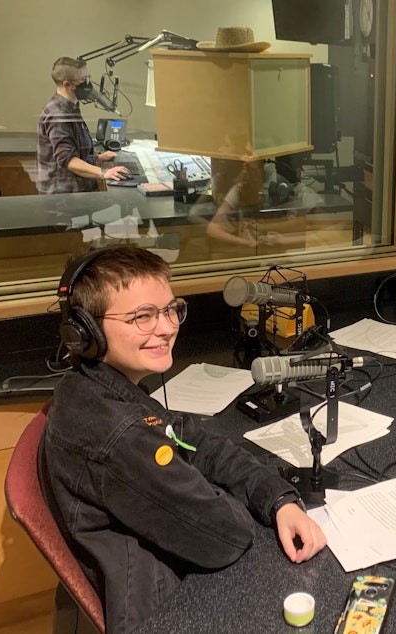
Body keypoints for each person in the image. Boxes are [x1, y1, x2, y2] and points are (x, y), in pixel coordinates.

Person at [39, 246, 326, 633]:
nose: (167, 327)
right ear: (85, 331)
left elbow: (199, 443)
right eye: (142, 316)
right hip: (169, 611)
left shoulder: (100, 388)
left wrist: (277, 500)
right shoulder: (116, 434)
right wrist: (223, 491)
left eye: (170, 309)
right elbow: (227, 535)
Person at [36, 56, 128, 194]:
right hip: (64, 198)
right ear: (67, 84)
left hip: (76, 191)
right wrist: (104, 172)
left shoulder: (70, 107)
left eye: (88, 77)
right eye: (83, 80)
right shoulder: (58, 115)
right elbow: (69, 161)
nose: (88, 84)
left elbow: (75, 146)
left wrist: (96, 157)